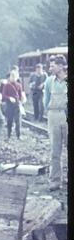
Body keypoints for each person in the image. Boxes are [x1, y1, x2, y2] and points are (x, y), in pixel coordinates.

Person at [43, 55, 67, 190]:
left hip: (67, 115)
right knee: (55, 150)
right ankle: (55, 180)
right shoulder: (48, 82)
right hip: (53, 116)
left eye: (54, 66)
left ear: (61, 67)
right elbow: (45, 102)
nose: (51, 68)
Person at [0, 70, 25, 140]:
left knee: (18, 120)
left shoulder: (19, 85)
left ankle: (18, 135)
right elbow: (4, 95)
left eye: (14, 76)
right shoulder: (7, 85)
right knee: (9, 120)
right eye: (11, 76)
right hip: (9, 104)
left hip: (16, 104)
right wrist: (9, 98)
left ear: (17, 77)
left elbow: (20, 95)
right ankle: (8, 135)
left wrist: (20, 102)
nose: (12, 78)